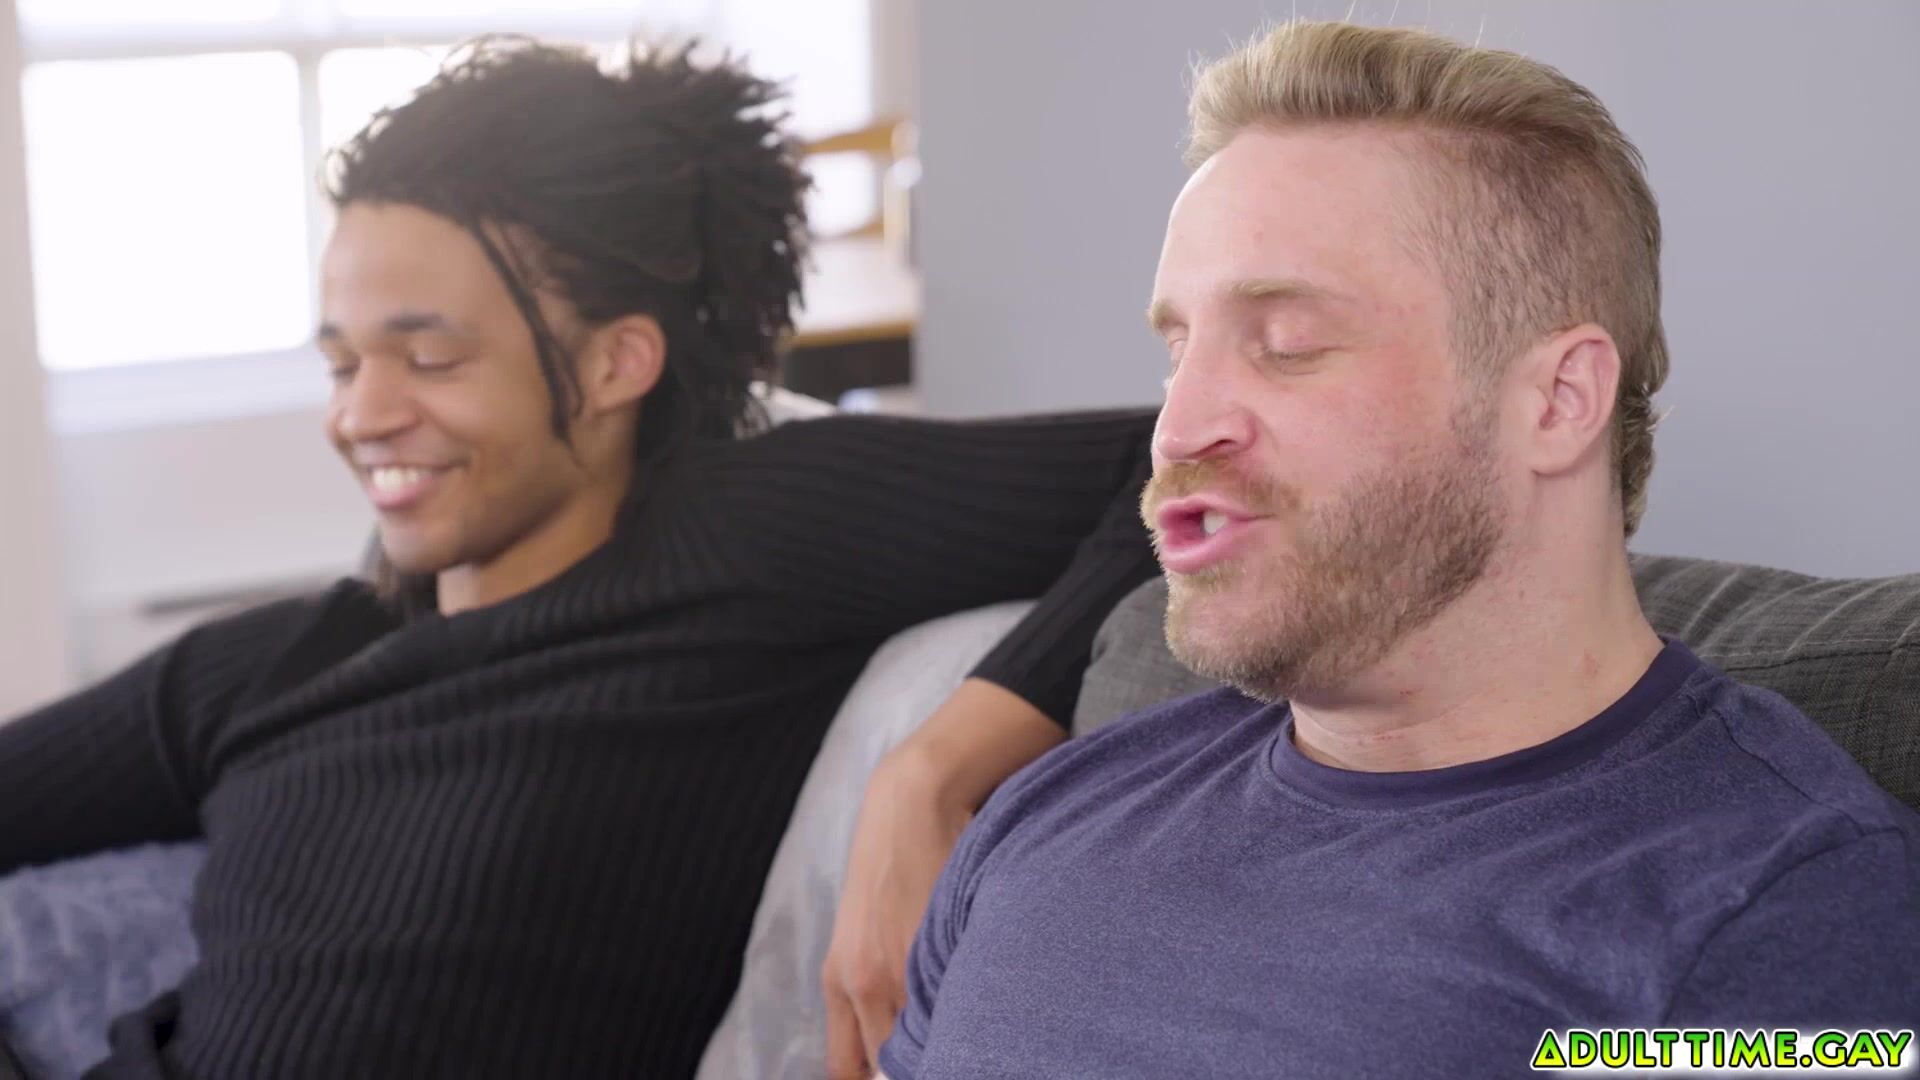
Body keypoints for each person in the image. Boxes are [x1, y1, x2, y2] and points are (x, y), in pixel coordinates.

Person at [0, 37, 1156, 1078]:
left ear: (615, 364)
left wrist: (935, 770)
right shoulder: (269, 667)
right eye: (343, 364)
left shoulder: (740, 537)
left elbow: (1173, 472)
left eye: (430, 359)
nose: (361, 416)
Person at [878, 20, 1920, 1079]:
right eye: (1178, 351)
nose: (1178, 429)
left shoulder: (1775, 914)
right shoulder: (1053, 812)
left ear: (1558, 401)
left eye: (1287, 345)